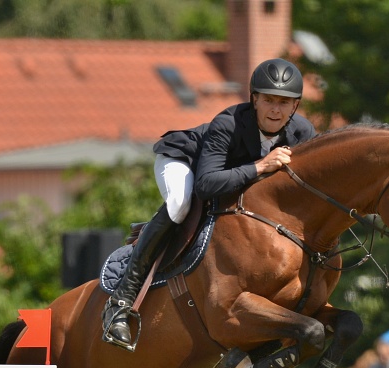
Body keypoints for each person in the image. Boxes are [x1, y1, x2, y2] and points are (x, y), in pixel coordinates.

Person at [102, 58, 316, 349]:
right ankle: (121, 300)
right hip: (184, 161)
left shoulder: (302, 133)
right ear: (254, 99)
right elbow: (205, 185)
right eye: (268, 100)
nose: (275, 110)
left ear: (296, 105)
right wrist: (260, 166)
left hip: (226, 175)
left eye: (284, 102)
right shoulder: (227, 123)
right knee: (180, 204)